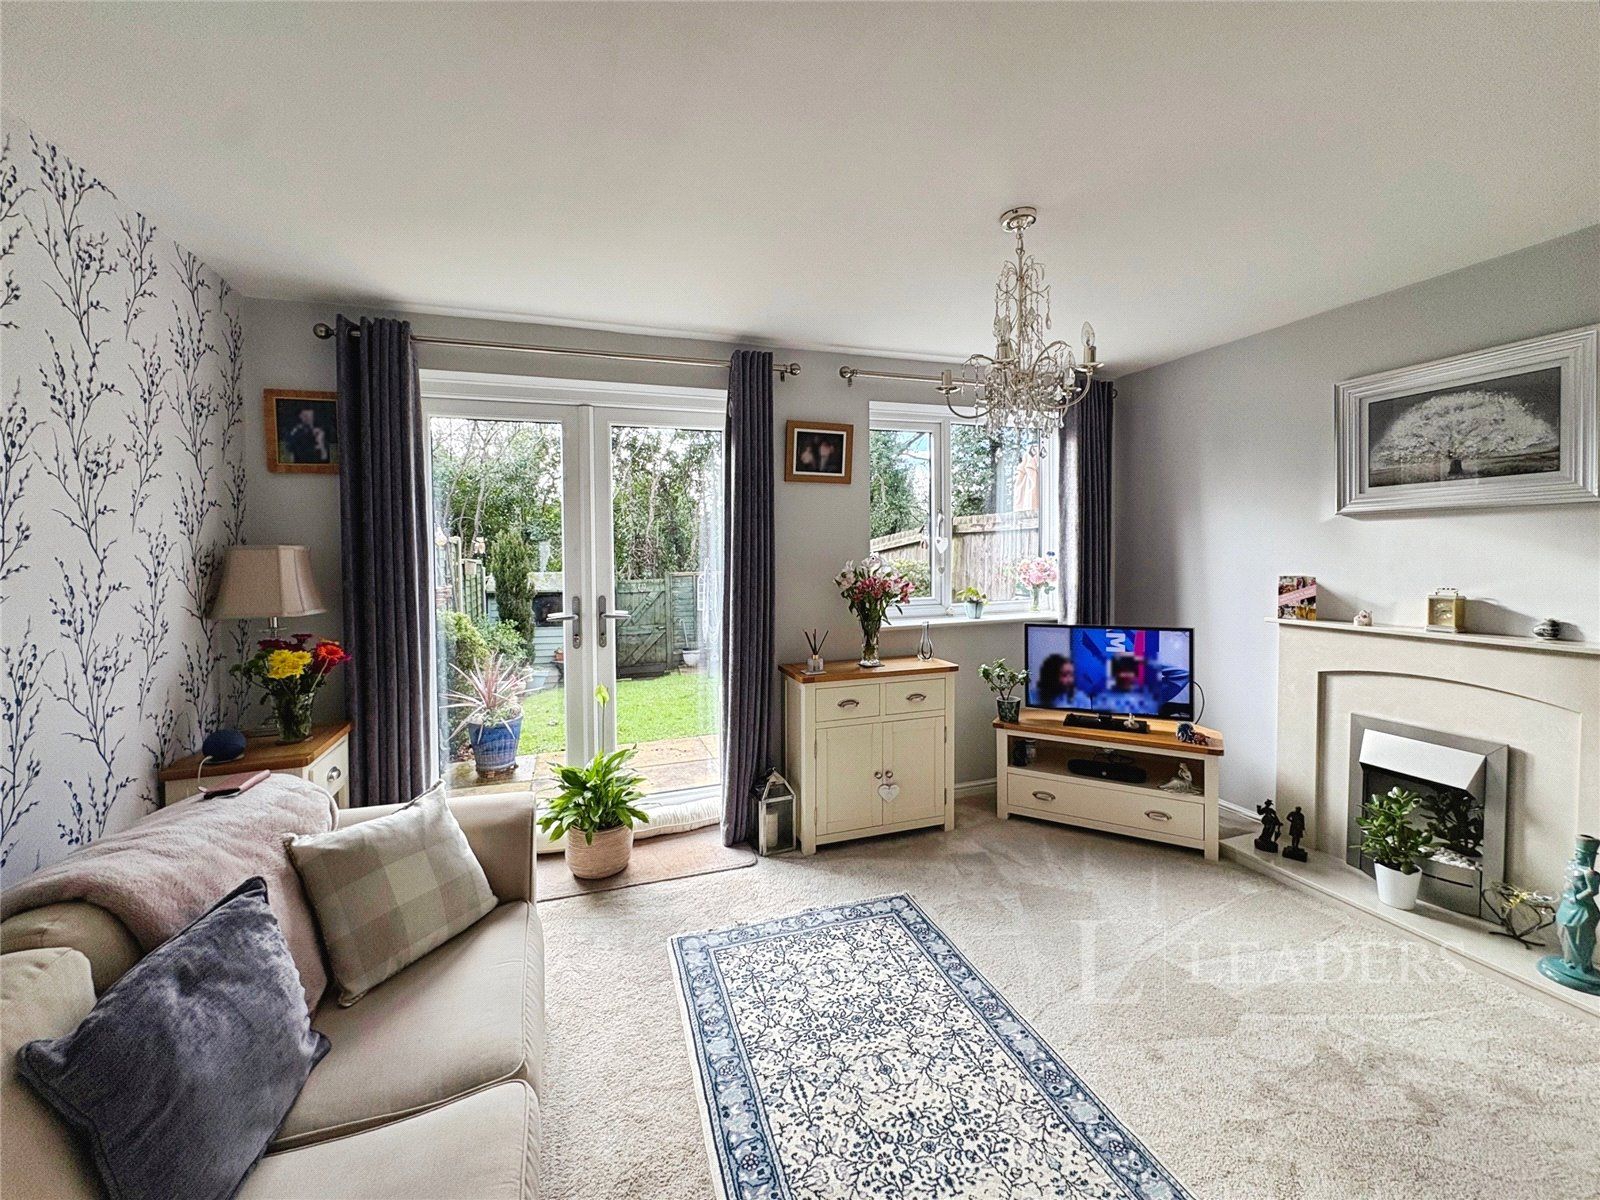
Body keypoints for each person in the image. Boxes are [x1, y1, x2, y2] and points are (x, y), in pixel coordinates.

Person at [1091, 653, 1159, 714]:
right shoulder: (1104, 699)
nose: (1127, 675)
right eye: (1123, 671)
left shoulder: (1147, 697)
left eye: (1130, 671)